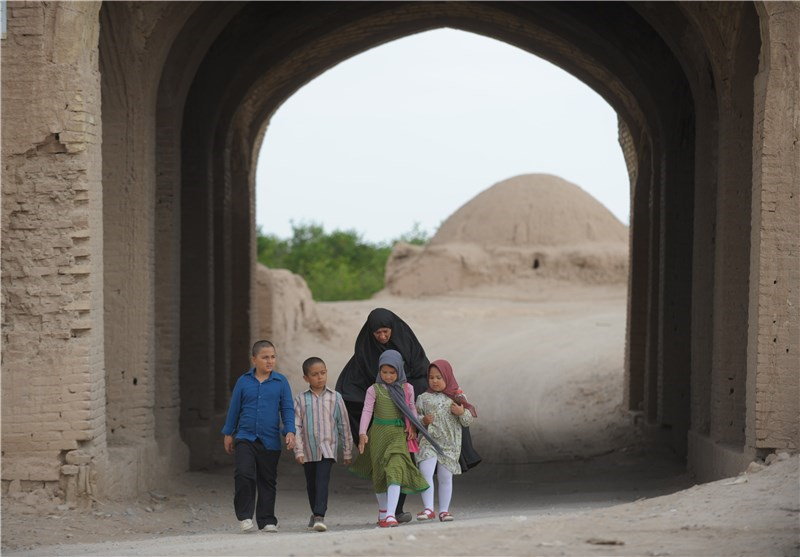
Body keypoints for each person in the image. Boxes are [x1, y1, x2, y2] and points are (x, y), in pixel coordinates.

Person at [336, 307, 430, 521]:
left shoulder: (408, 345)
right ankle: (388, 511)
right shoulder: (365, 352)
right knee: (382, 466)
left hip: (405, 422)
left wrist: (410, 405)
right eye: (377, 333)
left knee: (402, 462)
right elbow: (351, 388)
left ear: (393, 329)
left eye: (386, 332)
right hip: (381, 424)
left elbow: (422, 373)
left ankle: (396, 510)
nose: (382, 337)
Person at [349, 350, 443, 527]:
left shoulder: (407, 389)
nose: (388, 376)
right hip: (378, 434)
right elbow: (367, 411)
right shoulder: (374, 389)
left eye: (392, 372)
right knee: (379, 473)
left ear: (399, 370)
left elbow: (410, 409)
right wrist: (362, 434)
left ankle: (391, 515)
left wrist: (413, 426)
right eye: (384, 372)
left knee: (396, 469)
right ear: (379, 371)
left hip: (399, 435)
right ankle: (383, 511)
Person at [221, 340, 296, 533]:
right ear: (254, 359)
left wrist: (290, 430)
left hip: (270, 439)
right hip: (245, 436)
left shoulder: (281, 382)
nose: (270, 361)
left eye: (272, 357)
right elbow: (234, 408)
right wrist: (228, 433)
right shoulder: (243, 381)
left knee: (267, 480)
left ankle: (266, 519)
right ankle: (245, 517)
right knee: (244, 474)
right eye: (265, 357)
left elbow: (287, 409)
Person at [293, 356, 355, 533]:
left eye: (323, 373)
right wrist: (298, 450)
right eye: (314, 374)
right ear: (306, 378)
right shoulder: (300, 400)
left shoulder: (335, 398)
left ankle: (320, 515)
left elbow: (343, 424)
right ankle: (315, 512)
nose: (320, 377)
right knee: (311, 483)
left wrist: (347, 451)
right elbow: (296, 426)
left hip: (327, 449)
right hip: (308, 449)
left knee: (322, 481)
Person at [415, 359, 477, 522]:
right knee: (425, 472)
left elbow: (467, 421)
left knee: (445, 477)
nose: (434, 381)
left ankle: (444, 510)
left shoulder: (456, 397)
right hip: (428, 441)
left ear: (448, 377)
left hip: (449, 445)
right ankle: (428, 508)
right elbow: (415, 418)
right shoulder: (423, 398)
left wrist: (461, 412)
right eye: (431, 377)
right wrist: (423, 420)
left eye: (439, 377)